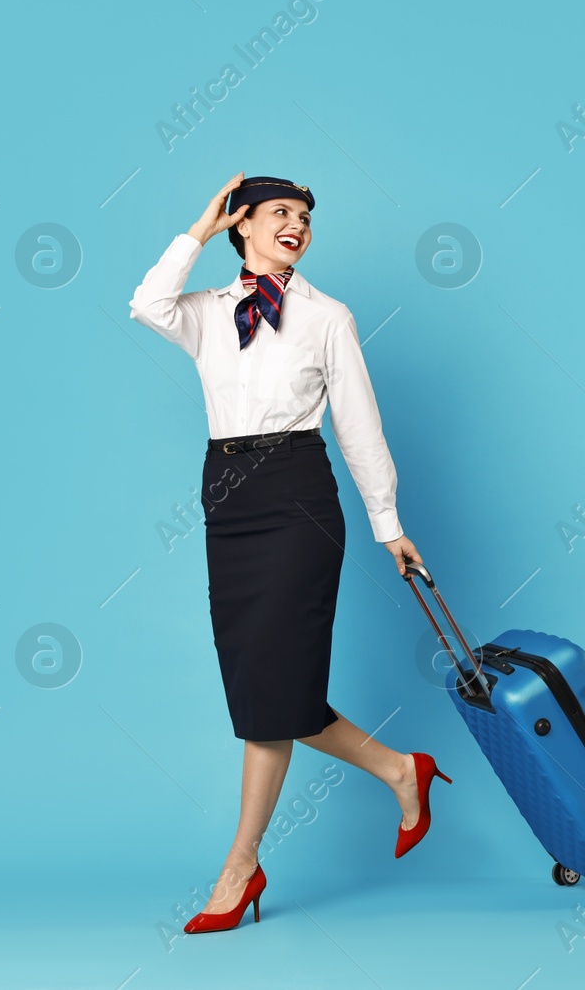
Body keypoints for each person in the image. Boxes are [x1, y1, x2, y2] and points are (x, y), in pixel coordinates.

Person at [129, 173, 450, 934]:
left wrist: (387, 521)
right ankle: (401, 769)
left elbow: (360, 424)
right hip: (227, 497)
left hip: (298, 494)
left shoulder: (327, 315)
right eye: (281, 213)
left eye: (305, 217)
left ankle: (239, 868)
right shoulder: (206, 311)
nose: (297, 225)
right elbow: (145, 303)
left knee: (271, 690)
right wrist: (198, 231)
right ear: (244, 223)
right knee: (261, 686)